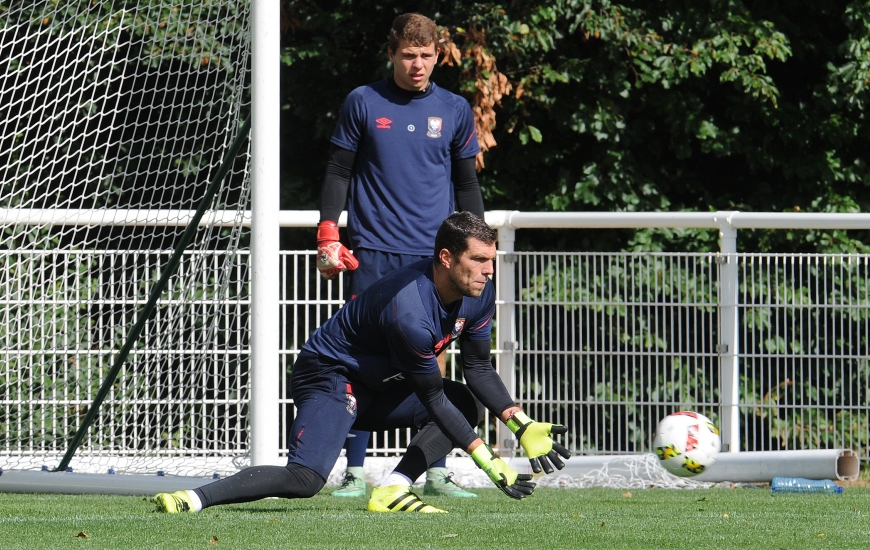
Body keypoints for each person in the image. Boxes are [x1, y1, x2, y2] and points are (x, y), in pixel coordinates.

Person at [153, 212, 570, 514]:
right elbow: (430, 397)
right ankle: (195, 498)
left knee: (465, 403)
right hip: (331, 377)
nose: (487, 270)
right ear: (446, 258)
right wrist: (489, 461)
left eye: (491, 259)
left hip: (378, 383)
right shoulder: (410, 313)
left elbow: (477, 367)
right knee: (305, 480)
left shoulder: (478, 292)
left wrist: (521, 422)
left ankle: (392, 490)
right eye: (478, 260)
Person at [314, 13, 486, 498]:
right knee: (361, 358)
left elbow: (466, 183)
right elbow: (338, 170)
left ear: (437, 55)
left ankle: (436, 471)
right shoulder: (363, 102)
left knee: (437, 361)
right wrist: (329, 232)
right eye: (408, 55)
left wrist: (477, 247)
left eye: (426, 56)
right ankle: (352, 471)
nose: (417, 65)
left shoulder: (454, 109)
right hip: (373, 252)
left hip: (438, 258)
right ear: (392, 54)